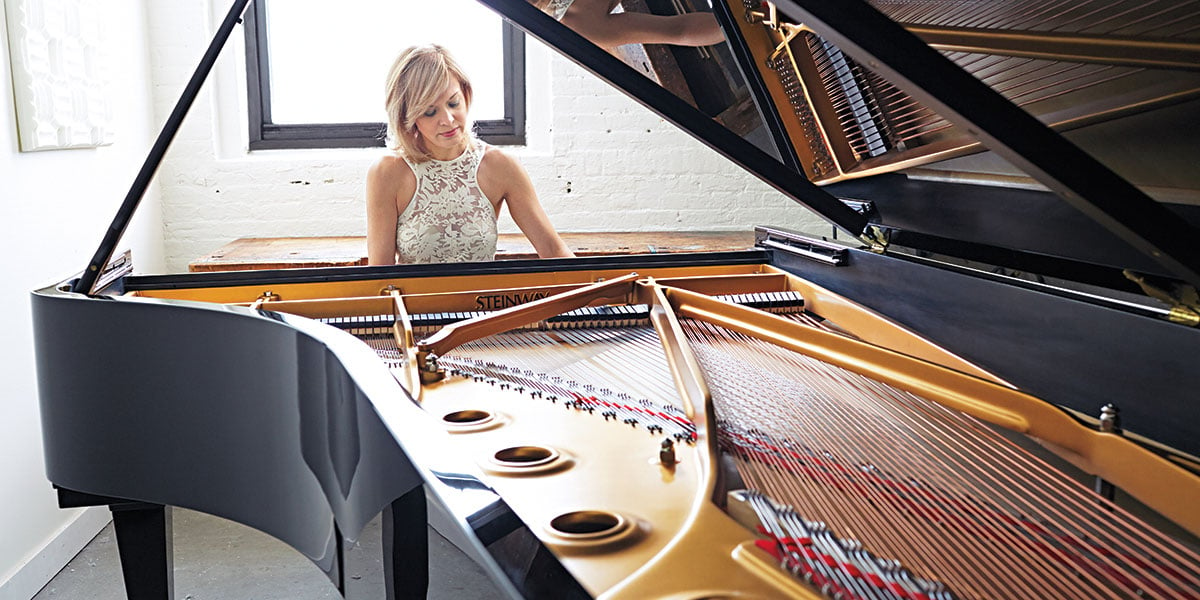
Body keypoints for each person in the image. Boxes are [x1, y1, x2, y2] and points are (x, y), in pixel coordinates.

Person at [367, 44, 574, 265]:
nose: (448, 119)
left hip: (482, 299)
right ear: (408, 116)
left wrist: (600, 290)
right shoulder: (387, 173)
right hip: (414, 300)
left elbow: (553, 250)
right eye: (430, 111)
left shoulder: (500, 166)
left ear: (466, 94)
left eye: (453, 103)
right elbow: (379, 275)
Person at [531, 0, 724, 50]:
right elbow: (680, 31)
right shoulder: (580, 25)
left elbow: (679, 31)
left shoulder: (580, 25)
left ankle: (748, 19)